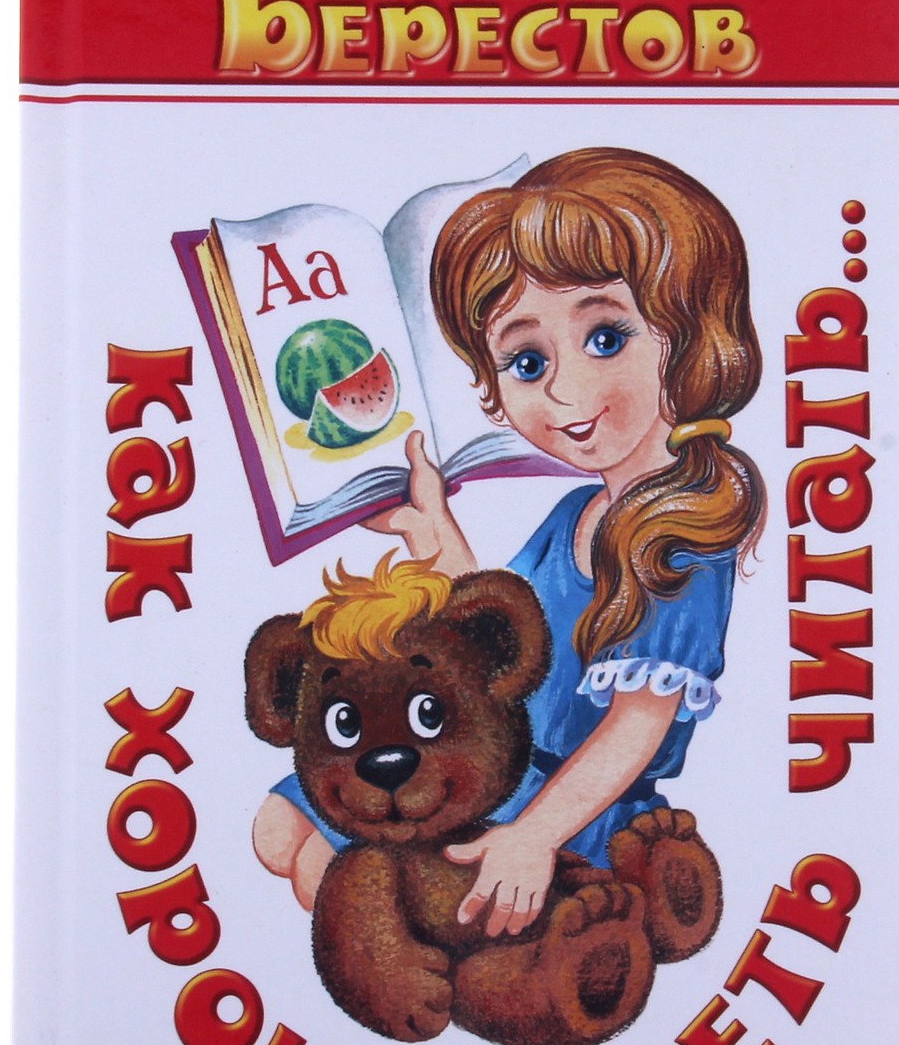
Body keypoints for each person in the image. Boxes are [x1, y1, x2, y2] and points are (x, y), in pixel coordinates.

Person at [253, 147, 765, 934]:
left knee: (333, 871)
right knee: (277, 830)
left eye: (605, 338)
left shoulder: (684, 532)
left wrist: (533, 837)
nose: (563, 391)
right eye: (527, 361)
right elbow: (504, 638)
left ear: (693, 332)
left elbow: (637, 726)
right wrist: (435, 532)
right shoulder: (575, 511)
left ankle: (448, 959)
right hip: (504, 762)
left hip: (569, 807)